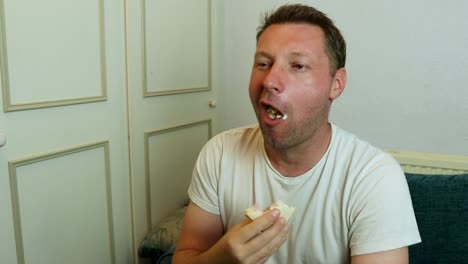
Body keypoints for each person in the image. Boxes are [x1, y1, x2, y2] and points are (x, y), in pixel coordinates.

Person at [173, 4, 421, 264]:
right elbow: (184, 257)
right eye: (263, 63)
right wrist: (221, 259)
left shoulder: (374, 177)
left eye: (298, 66)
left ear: (336, 84)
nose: (269, 80)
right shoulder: (220, 153)